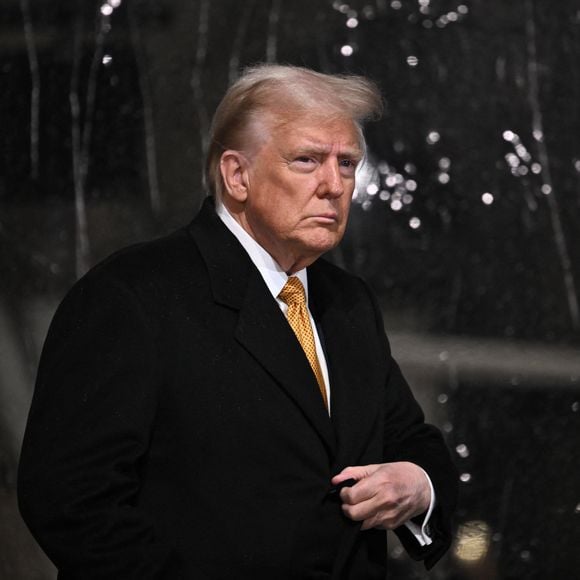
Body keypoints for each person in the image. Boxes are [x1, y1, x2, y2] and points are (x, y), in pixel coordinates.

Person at [18, 64, 457, 579]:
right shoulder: (132, 295)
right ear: (236, 174)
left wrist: (418, 483)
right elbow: (70, 497)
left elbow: (410, 437)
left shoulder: (349, 304)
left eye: (347, 163)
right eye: (307, 160)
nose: (333, 185)